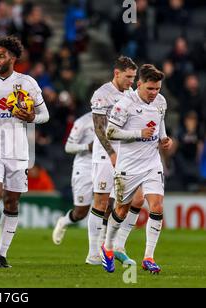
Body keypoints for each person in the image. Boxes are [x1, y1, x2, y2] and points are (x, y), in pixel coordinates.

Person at [0, 36, 49, 268]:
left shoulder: (27, 83)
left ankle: (2, 255)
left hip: (17, 148)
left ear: (13, 58)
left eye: (1, 55)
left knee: (12, 202)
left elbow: (45, 115)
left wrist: (33, 117)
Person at [102, 64, 173, 274]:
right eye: (150, 89)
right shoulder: (124, 104)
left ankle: (148, 257)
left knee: (157, 206)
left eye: (158, 89)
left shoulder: (161, 102)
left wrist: (163, 139)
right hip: (128, 166)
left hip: (152, 163)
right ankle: (108, 247)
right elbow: (111, 132)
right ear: (139, 84)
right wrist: (138, 133)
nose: (154, 93)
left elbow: (159, 123)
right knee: (122, 210)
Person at [87, 56, 144, 266]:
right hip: (105, 153)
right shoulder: (102, 94)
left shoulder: (131, 95)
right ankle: (93, 253)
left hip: (127, 154)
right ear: (116, 73)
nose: (131, 81)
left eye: (134, 77)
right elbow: (99, 128)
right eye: (128, 77)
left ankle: (115, 246)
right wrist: (111, 153)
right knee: (101, 201)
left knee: (134, 200)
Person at [52, 112, 93, 245]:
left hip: (107, 167)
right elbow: (68, 147)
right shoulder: (83, 122)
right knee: (81, 213)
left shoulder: (118, 119)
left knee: (107, 205)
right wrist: (87, 146)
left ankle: (101, 248)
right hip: (85, 167)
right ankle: (64, 221)